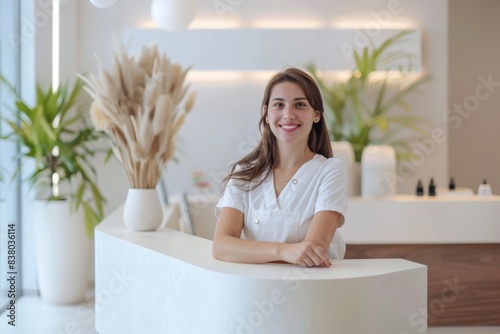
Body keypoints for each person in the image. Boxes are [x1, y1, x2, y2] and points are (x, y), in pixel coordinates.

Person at [212, 67, 348, 267]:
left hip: (315, 289)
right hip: (257, 288)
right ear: (266, 114)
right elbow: (221, 246)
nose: (288, 114)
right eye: (279, 105)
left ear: (316, 115)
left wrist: (249, 251)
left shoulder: (330, 171)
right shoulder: (243, 175)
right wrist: (285, 251)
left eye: (300, 105)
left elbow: (315, 250)